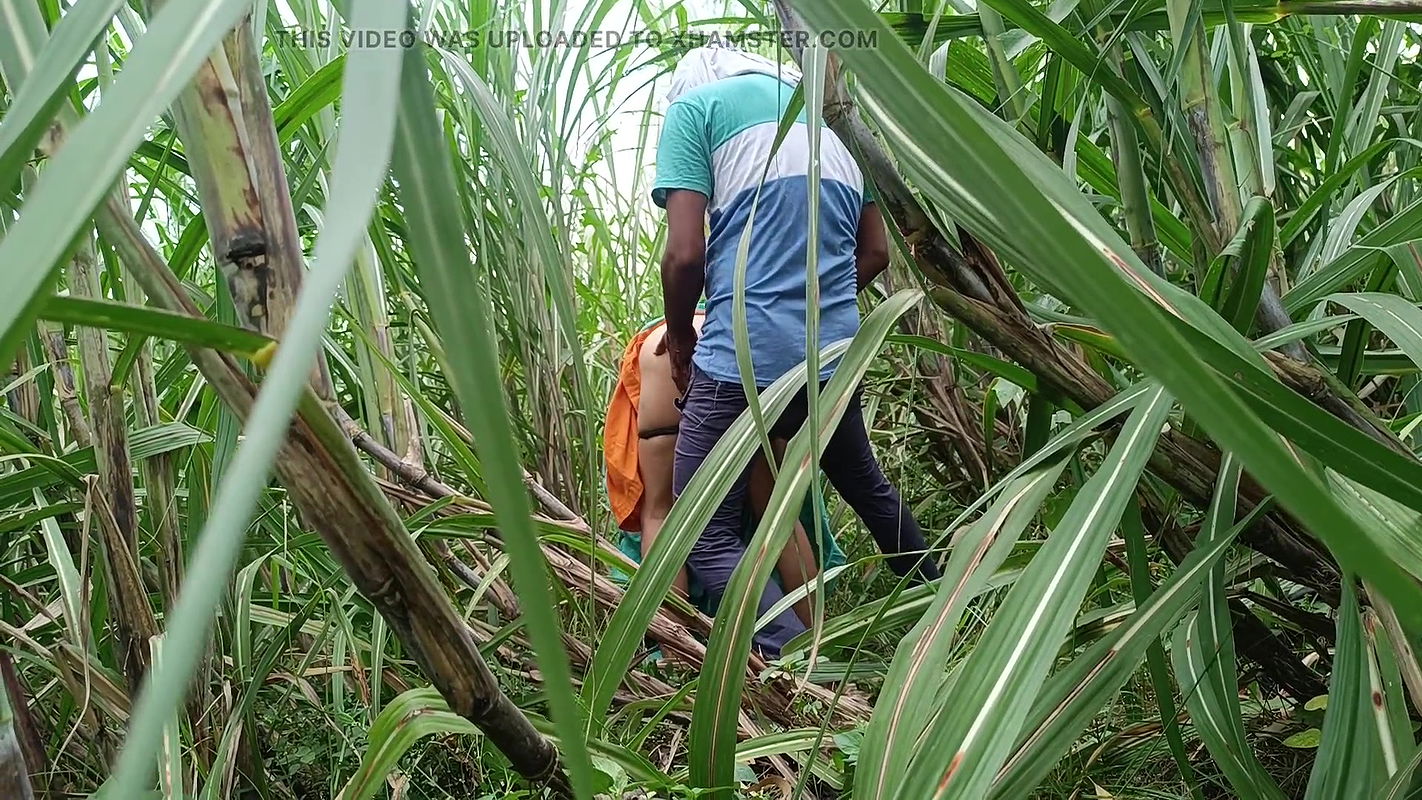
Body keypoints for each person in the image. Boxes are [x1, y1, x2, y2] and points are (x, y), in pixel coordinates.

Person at [652, 45, 942, 658]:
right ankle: (951, 609)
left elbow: (683, 255)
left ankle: (783, 661)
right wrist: (815, 302)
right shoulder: (831, 117)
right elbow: (878, 254)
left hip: (742, 360)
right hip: (833, 357)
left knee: (701, 532)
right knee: (868, 491)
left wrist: (681, 339)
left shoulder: (695, 111)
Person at [604, 309, 845, 626]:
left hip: (659, 350)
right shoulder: (750, 307)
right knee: (777, 516)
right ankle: (814, 641)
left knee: (660, 513)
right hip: (736, 348)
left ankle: (676, 652)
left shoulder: (666, 319)